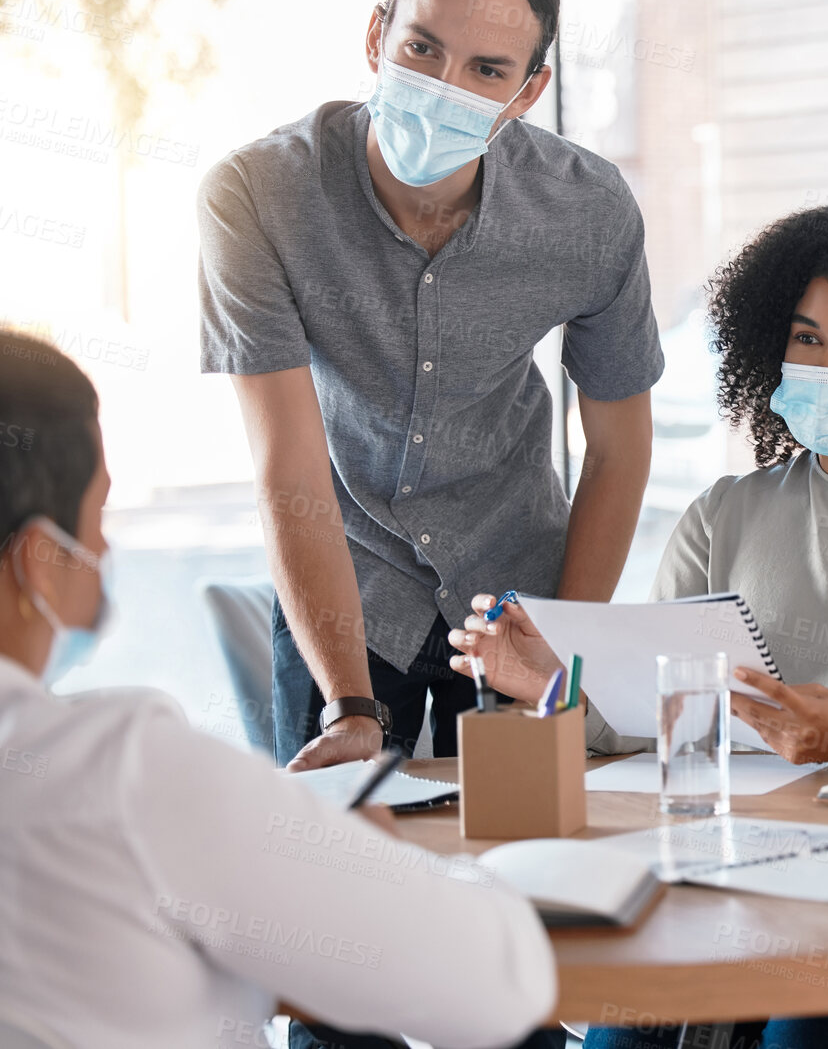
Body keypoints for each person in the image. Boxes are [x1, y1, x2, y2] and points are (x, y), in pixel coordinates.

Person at [447, 203, 828, 1049]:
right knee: (624, 1032)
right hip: (735, 866)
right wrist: (548, 679)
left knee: (797, 1040)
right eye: (807, 339)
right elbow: (655, 717)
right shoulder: (723, 513)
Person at [197, 0, 664, 777]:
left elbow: (620, 448)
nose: (445, 84)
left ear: (527, 90)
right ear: (377, 36)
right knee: (338, 885)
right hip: (346, 599)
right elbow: (288, 469)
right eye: (422, 49)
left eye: (486, 69)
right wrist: (347, 704)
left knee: (530, 873)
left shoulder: (588, 213)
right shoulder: (258, 196)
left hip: (516, 599)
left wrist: (555, 656)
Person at [0, 330, 560, 1048]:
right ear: (41, 564)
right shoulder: (126, 773)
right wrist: (367, 867)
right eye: (98, 517)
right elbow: (496, 984)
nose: (104, 552)